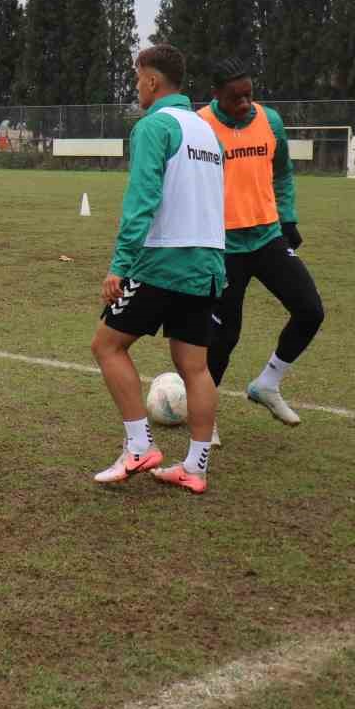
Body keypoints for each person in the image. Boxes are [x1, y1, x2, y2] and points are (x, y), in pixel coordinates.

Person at [90, 44, 224, 494]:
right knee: (195, 366)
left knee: (107, 346)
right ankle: (196, 467)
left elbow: (142, 200)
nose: (136, 86)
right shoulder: (207, 131)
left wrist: (120, 265)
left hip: (162, 259)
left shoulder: (154, 126)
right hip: (206, 262)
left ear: (151, 80)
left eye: (137, 78)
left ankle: (138, 446)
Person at [197, 58, 324, 439]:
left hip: (268, 238)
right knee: (224, 335)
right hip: (222, 246)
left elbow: (283, 172)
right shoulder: (201, 126)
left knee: (310, 311)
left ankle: (267, 383)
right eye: (235, 98)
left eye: (249, 94)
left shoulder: (271, 121)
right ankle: (206, 412)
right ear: (216, 94)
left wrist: (287, 218)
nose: (245, 104)